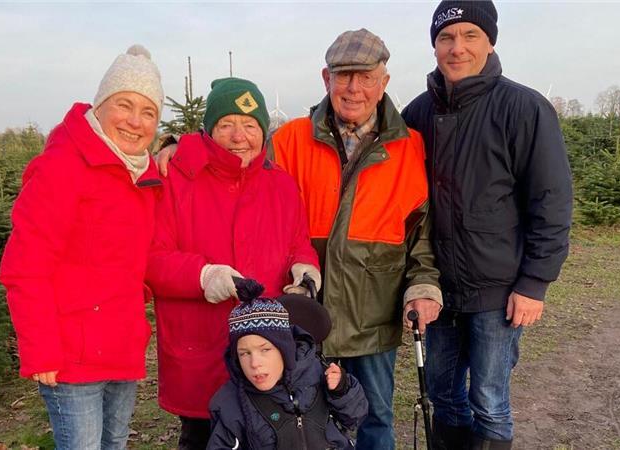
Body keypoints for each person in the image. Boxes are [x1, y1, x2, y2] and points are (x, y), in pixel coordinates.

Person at [401, 2, 573, 448]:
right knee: (442, 395)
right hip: (437, 289)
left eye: (469, 35)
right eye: (446, 38)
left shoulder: (524, 108)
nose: (457, 48)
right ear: (435, 46)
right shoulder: (417, 114)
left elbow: (551, 202)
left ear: (490, 41)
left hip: (498, 291)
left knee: (490, 399)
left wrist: (534, 282)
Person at [268, 29, 442, 450]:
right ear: (325, 79)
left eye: (366, 77)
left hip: (373, 320)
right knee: (300, 417)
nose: (354, 88)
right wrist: (175, 147)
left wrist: (423, 288)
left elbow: (420, 235)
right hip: (306, 317)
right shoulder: (288, 141)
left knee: (375, 416)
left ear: (384, 82)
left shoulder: (411, 148)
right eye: (344, 75)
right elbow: (244, 183)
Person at [0, 45, 164, 449]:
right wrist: (40, 350)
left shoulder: (143, 177)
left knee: (116, 442)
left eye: (148, 112)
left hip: (122, 345)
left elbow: (136, 260)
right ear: (100, 106)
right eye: (124, 105)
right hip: (72, 353)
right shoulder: (63, 168)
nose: (135, 121)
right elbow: (25, 266)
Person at [145, 77, 321, 450]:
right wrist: (203, 275)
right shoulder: (174, 178)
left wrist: (305, 268)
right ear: (209, 130)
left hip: (263, 348)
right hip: (201, 345)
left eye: (250, 125)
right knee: (204, 438)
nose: (239, 136)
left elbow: (298, 245)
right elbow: (150, 259)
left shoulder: (282, 185)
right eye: (227, 125)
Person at [207, 289, 368, 450]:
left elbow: (354, 417)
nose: (254, 363)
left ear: (284, 349)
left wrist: (341, 390)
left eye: (265, 350)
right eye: (244, 353)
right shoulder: (231, 403)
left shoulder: (318, 374)